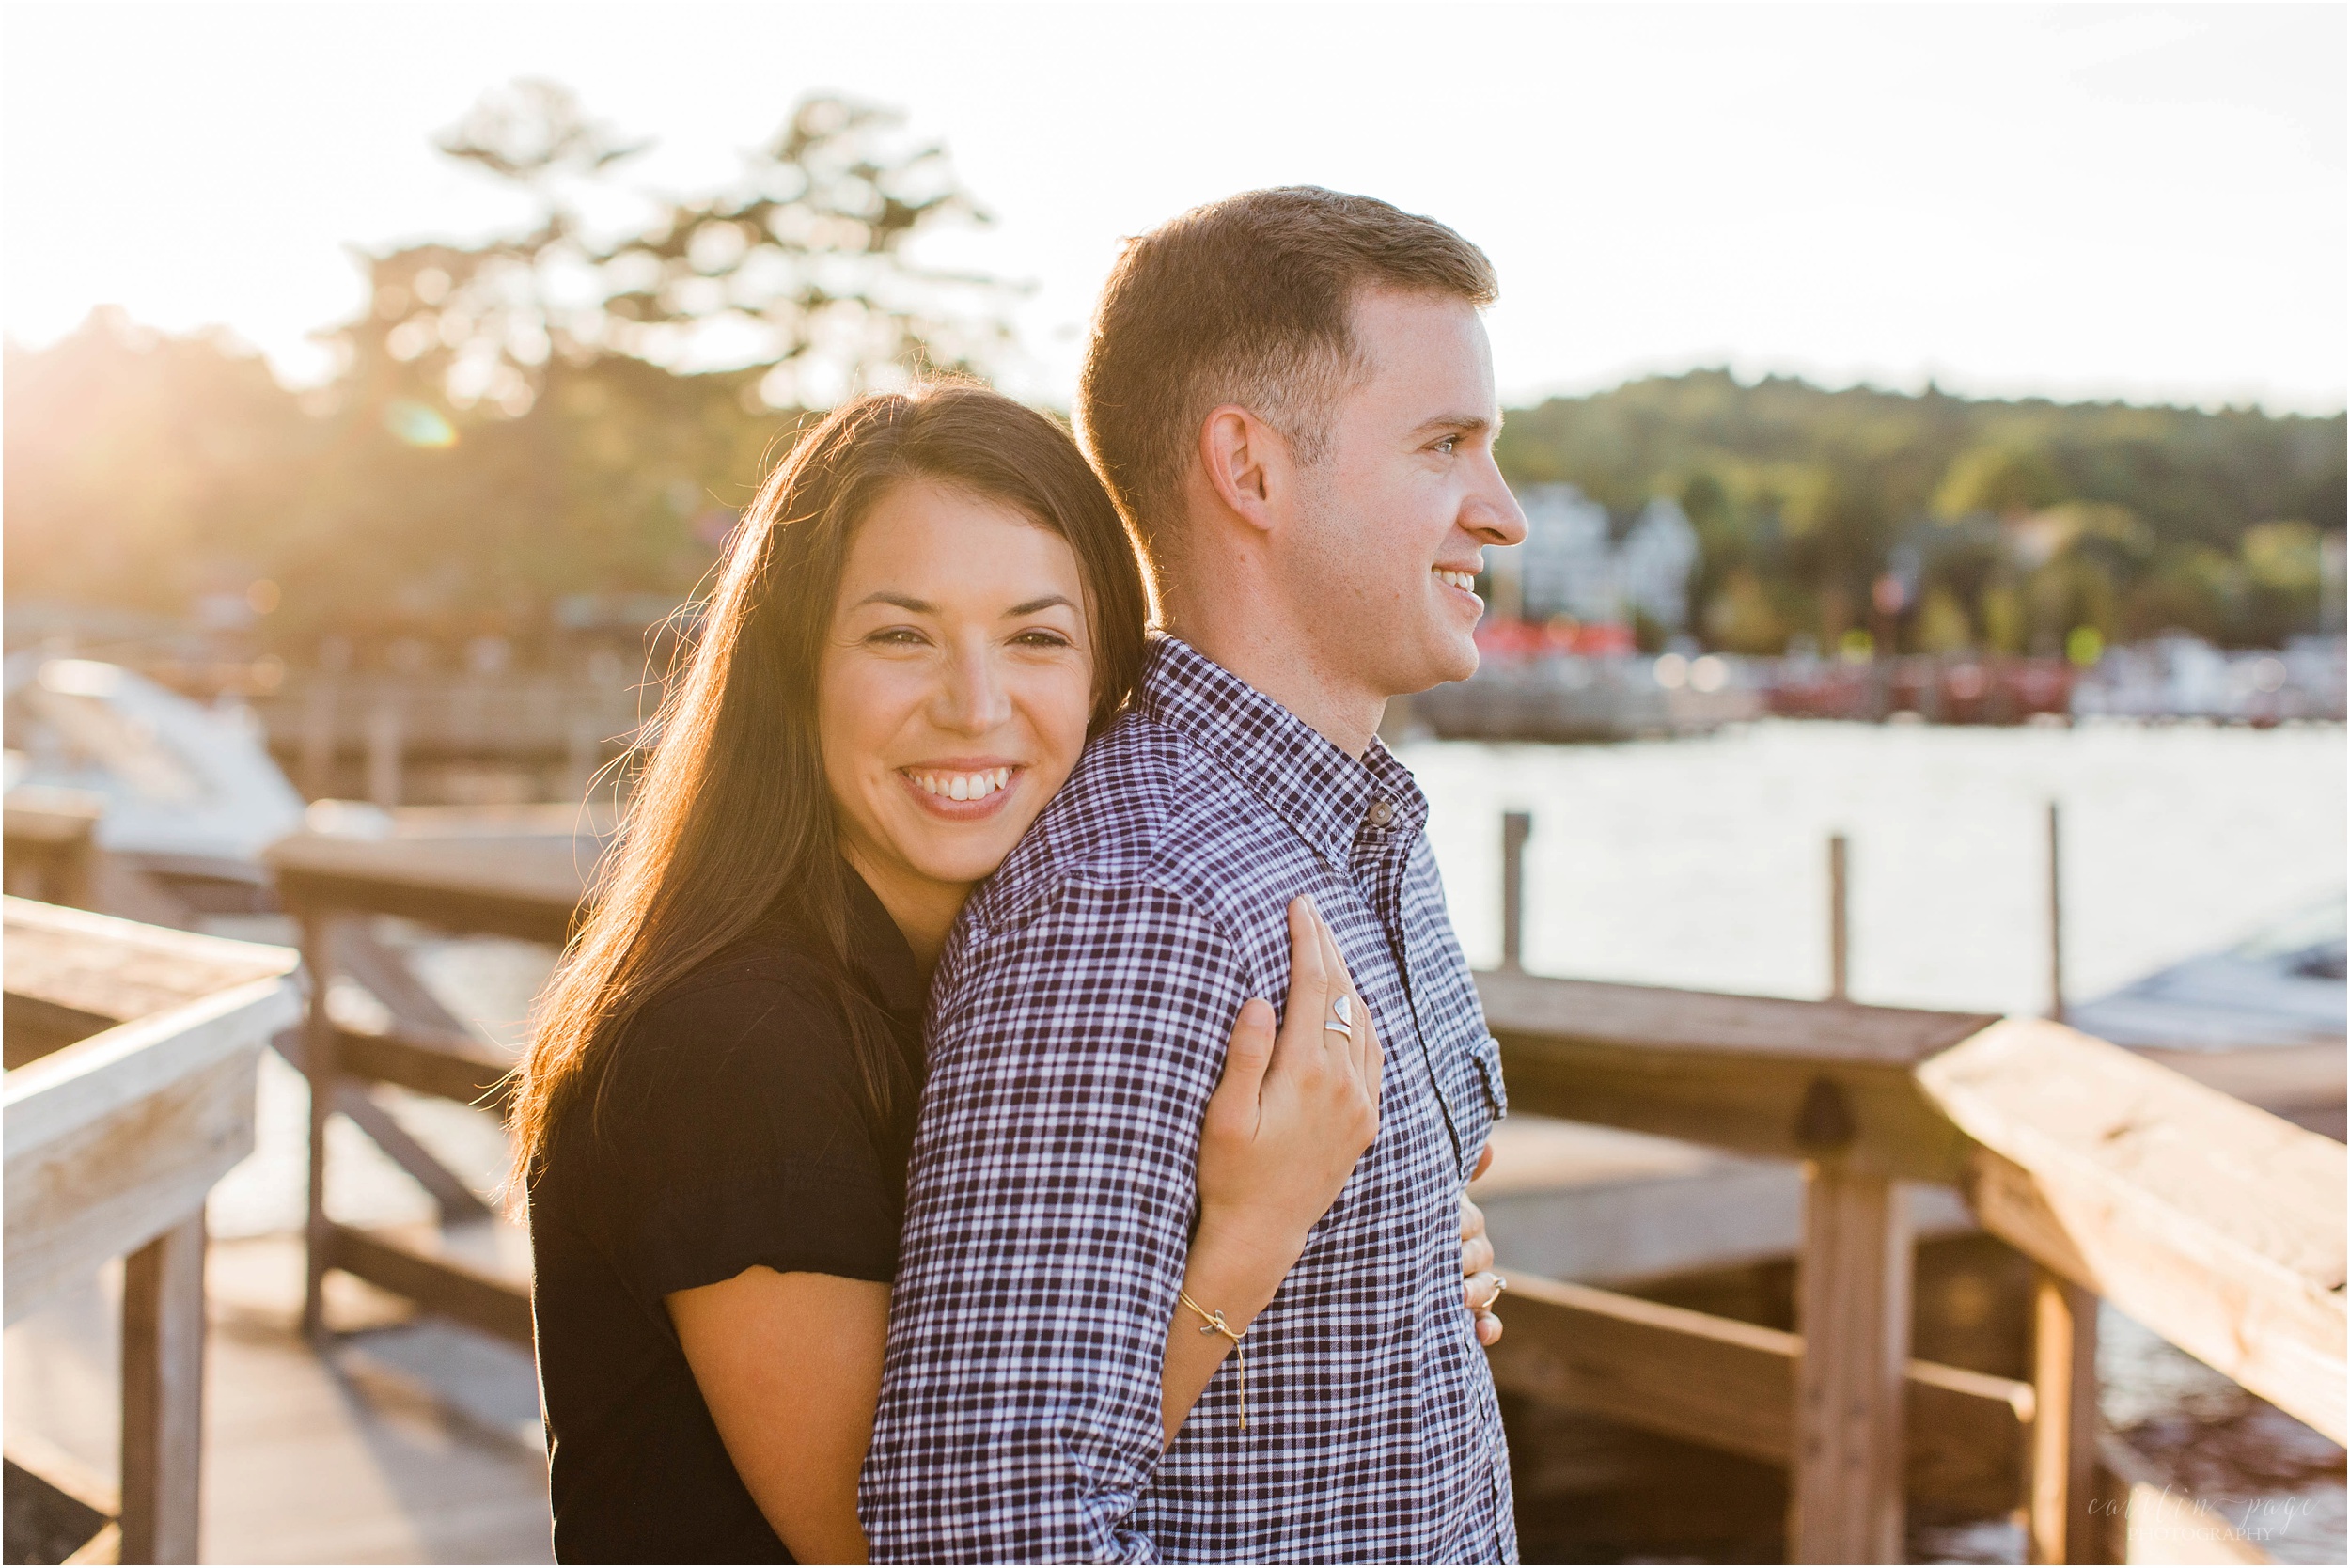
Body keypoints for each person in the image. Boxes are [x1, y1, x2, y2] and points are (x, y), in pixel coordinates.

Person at [511, 384, 1504, 1562]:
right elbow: (911, 1545)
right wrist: (1254, 1235)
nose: (974, 708)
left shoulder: (1001, 973)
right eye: (901, 635)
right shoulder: (735, 1050)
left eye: (1036, 637)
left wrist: (1380, 1248)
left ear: (1103, 674)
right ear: (794, 667)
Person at [862, 189, 1529, 1563]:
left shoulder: (1350, 836)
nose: (1500, 511)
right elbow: (992, 1531)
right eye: (1444, 445)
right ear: (1252, 471)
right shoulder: (1137, 904)